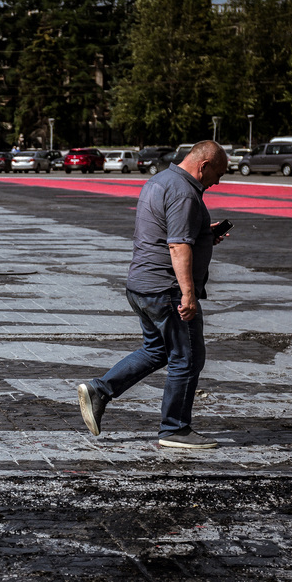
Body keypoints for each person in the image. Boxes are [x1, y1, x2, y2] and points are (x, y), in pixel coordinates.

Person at [77, 140, 231, 449]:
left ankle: (100, 390)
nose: (219, 181)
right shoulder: (185, 192)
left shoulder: (160, 180)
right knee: (187, 358)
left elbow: (167, 231)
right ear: (204, 166)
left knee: (157, 350)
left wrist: (203, 233)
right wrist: (188, 294)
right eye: (219, 173)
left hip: (142, 285)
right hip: (167, 289)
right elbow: (176, 245)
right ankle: (175, 428)